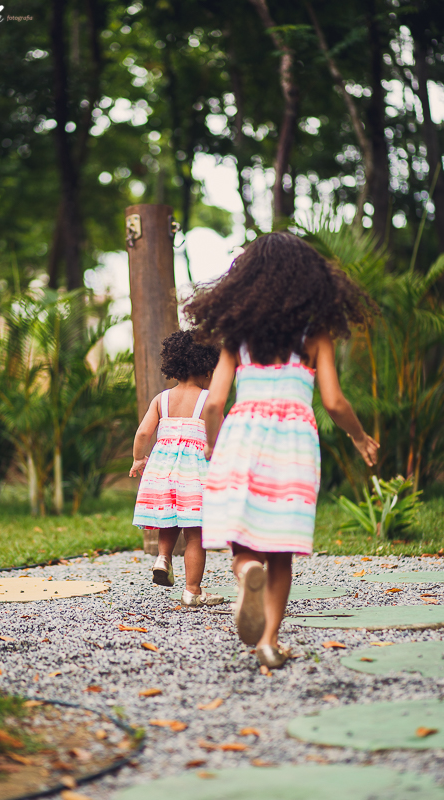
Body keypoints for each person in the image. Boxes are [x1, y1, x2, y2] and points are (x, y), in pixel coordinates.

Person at [184, 231, 379, 667]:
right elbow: (334, 401)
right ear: (309, 281)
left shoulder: (238, 336)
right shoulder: (316, 334)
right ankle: (269, 641)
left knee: (243, 539)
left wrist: (215, 448)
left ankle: (244, 574)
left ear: (247, 279)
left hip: (242, 436)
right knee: (281, 550)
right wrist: (360, 437)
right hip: (292, 444)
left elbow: (214, 402)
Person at [129, 330, 224, 608]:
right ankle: (192, 591)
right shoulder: (208, 399)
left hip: (162, 471)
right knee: (195, 533)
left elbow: (143, 433)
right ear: (207, 367)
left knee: (167, 520)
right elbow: (219, 434)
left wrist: (138, 459)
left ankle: (163, 558)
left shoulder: (162, 399)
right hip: (194, 474)